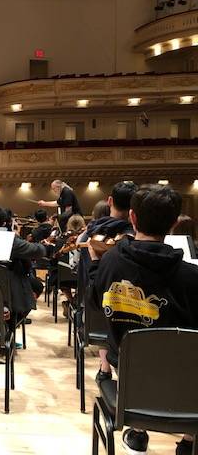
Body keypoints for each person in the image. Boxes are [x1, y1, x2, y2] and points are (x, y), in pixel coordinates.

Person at [88, 184, 197, 455]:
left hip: (127, 374)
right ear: (173, 224)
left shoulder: (110, 262)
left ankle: (137, 432)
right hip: (185, 381)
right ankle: (189, 440)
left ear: (132, 218)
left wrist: (93, 266)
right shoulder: (192, 278)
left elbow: (93, 306)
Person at [77, 181, 137, 383]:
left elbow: (79, 247)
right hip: (129, 303)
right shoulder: (133, 232)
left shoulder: (93, 228)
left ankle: (104, 366)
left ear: (110, 201)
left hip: (93, 300)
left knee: (105, 306)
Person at [0, 204, 50, 320]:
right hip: (5, 292)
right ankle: (9, 328)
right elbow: (37, 251)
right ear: (4, 223)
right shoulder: (8, 240)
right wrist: (45, 246)